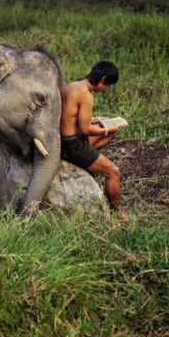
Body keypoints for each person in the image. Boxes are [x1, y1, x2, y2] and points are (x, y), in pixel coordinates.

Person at [60, 61, 128, 222]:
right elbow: (85, 130)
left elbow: (69, 116)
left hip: (64, 139)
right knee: (113, 172)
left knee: (113, 131)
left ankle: (90, 159)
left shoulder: (72, 86)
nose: (106, 89)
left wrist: (94, 120)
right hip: (72, 145)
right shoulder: (87, 96)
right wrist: (106, 129)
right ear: (102, 80)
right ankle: (118, 214)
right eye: (107, 86)